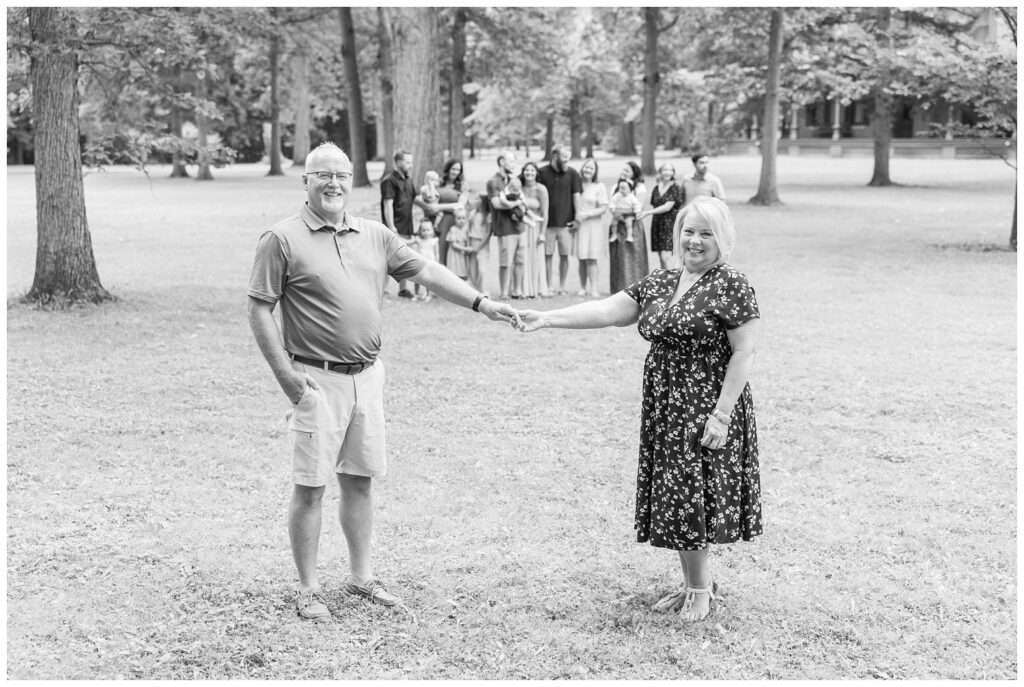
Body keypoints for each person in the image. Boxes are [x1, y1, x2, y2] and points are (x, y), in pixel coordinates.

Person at [247, 143, 521, 621]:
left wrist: (482, 303)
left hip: (368, 378)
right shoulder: (281, 238)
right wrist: (288, 379)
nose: (333, 183)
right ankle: (309, 589)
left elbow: (428, 271)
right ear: (305, 182)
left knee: (360, 481)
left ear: (352, 179)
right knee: (311, 487)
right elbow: (259, 307)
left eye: (342, 175)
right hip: (316, 380)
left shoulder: (374, 234)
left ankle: (360, 578)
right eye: (323, 175)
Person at [516, 196, 761, 622]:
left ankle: (700, 590)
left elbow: (744, 353)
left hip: (706, 405)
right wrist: (547, 318)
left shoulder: (731, 283)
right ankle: (692, 584)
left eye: (706, 232)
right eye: (688, 230)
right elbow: (608, 310)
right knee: (679, 492)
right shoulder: (663, 280)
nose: (695, 240)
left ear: (722, 239)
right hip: (667, 406)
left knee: (692, 492)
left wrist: (721, 416)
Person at [381, 150, 432, 298]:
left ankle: (403, 290)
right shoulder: (389, 181)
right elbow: (387, 204)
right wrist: (391, 226)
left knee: (403, 258)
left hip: (407, 225)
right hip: (394, 226)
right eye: (408, 162)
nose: (411, 165)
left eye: (411, 162)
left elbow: (414, 198)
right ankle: (383, 291)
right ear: (398, 162)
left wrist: (428, 207)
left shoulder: (408, 180)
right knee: (388, 260)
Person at [537, 144, 583, 296]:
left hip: (566, 224)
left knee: (564, 256)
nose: (566, 161)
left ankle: (562, 287)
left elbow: (577, 196)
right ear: (555, 156)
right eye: (564, 158)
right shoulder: (541, 172)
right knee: (547, 255)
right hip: (547, 224)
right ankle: (548, 286)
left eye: (568, 158)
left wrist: (577, 218)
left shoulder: (573, 174)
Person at [486, 150, 525, 300]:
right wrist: (517, 203)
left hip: (520, 227)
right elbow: (496, 204)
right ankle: (504, 293)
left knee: (520, 261)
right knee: (505, 262)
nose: (513, 165)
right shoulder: (493, 182)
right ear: (502, 162)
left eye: (514, 162)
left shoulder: (514, 181)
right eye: (511, 161)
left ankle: (517, 291)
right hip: (504, 227)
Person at [608, 161, 650, 293]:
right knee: (618, 256)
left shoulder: (639, 188)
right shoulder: (616, 186)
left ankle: (637, 287)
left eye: (627, 171)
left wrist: (622, 213)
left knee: (634, 256)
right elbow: (612, 205)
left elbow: (639, 208)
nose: (624, 173)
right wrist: (617, 214)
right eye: (623, 170)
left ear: (634, 174)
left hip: (633, 225)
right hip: (618, 224)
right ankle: (618, 287)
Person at [572, 157, 608, 298]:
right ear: (582, 168)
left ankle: (594, 288)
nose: (588, 170)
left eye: (591, 168)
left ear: (595, 172)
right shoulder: (577, 184)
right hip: (580, 225)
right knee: (581, 257)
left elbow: (604, 207)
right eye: (586, 167)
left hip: (594, 225)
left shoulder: (599, 186)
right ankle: (582, 287)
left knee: (592, 258)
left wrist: (588, 214)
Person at [638, 163, 683, 270]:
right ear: (660, 172)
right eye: (665, 170)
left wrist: (648, 213)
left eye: (670, 170)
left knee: (665, 255)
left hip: (669, 224)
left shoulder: (675, 187)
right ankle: (664, 281)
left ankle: (672, 280)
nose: (667, 172)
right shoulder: (656, 188)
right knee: (660, 256)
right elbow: (654, 203)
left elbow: (668, 206)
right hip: (657, 223)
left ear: (673, 173)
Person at [519, 161, 550, 299]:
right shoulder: (518, 187)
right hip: (521, 227)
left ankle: (536, 288)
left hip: (536, 228)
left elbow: (545, 213)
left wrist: (542, 233)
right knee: (522, 257)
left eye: (532, 170)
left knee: (535, 257)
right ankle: (522, 289)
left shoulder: (541, 189)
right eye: (527, 170)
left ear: (536, 173)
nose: (529, 173)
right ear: (523, 171)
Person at [432, 159, 469, 266]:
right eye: (453, 169)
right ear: (448, 169)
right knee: (440, 251)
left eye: (458, 170)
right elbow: (431, 202)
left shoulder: (463, 185)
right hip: (440, 222)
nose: (455, 172)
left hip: (455, 221)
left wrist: (438, 207)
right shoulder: (439, 182)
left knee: (454, 253)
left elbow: (461, 205)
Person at [409, 218, 439, 301]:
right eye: (423, 230)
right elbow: (409, 243)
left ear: (432, 230)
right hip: (420, 263)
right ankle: (416, 294)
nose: (426, 232)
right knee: (417, 279)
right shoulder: (418, 240)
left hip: (430, 263)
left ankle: (428, 294)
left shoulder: (434, 241)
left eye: (428, 230)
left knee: (428, 280)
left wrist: (437, 263)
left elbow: (437, 253)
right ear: (420, 231)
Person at [466, 193, 490, 293]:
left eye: (477, 199)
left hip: (482, 244)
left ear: (482, 202)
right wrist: (468, 244)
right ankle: (474, 290)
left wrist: (478, 247)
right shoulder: (472, 213)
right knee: (472, 267)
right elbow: (468, 229)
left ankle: (484, 291)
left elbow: (488, 233)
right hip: (472, 241)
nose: (474, 201)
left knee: (482, 269)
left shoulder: (488, 216)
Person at [608, 178, 642, 244]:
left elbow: (637, 205)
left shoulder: (632, 197)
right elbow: (613, 203)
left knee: (629, 223)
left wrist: (637, 212)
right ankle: (614, 234)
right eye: (620, 188)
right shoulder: (617, 196)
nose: (621, 190)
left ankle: (629, 236)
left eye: (623, 188)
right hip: (618, 214)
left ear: (630, 189)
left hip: (628, 215)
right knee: (614, 222)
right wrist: (613, 209)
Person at [445, 205, 472, 281]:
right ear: (455, 219)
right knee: (455, 272)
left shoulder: (466, 229)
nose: (461, 220)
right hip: (455, 254)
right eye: (459, 218)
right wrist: (466, 249)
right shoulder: (453, 229)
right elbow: (453, 245)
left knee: (463, 271)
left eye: (463, 218)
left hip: (462, 254)